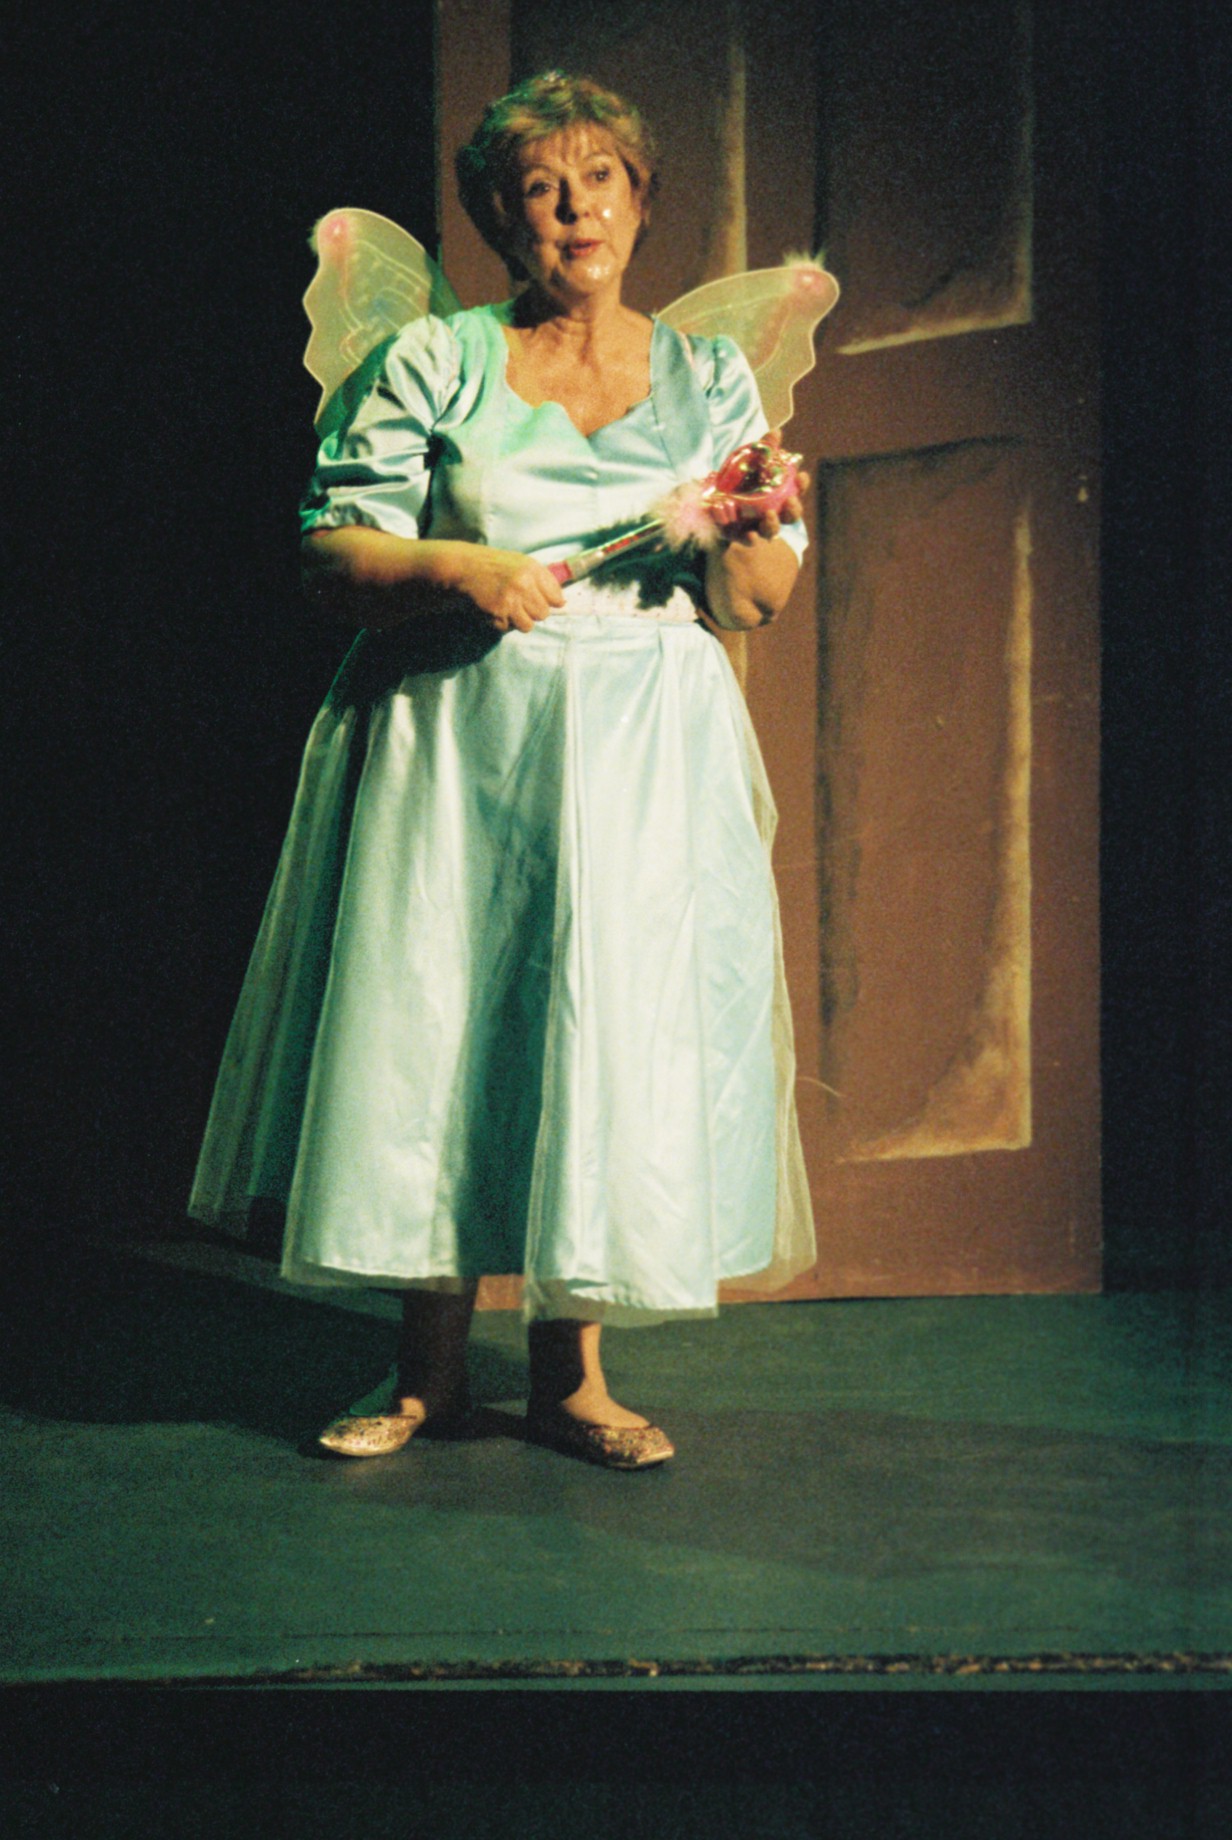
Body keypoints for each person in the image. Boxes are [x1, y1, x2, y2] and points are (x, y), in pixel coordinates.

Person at [189, 71, 816, 1470]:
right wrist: (460, 568)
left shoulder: (710, 380)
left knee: (600, 1026)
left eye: (600, 180)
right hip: (457, 736)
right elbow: (329, 553)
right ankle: (422, 1372)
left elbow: (752, 601)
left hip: (642, 748)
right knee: (438, 1020)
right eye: (540, 187)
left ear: (639, 204)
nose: (575, 210)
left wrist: (752, 530)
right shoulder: (436, 360)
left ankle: (569, 1379)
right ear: (497, 218)